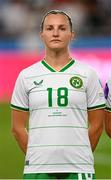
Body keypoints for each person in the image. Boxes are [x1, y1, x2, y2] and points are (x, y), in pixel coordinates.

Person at [11, 10, 105, 179]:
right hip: (36, 170)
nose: (55, 33)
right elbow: (17, 128)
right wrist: (37, 156)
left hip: (79, 169)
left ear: (71, 35)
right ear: (42, 35)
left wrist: (80, 156)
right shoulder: (26, 76)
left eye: (62, 28)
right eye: (49, 28)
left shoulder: (88, 74)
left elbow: (97, 125)